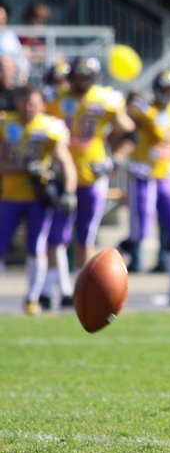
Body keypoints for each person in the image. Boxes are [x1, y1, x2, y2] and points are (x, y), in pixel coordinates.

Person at [43, 56, 134, 304]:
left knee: (85, 236)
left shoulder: (104, 99)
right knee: (56, 234)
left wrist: (114, 159)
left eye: (87, 76)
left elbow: (130, 133)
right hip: (62, 177)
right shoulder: (55, 98)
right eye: (79, 75)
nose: (82, 80)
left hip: (92, 176)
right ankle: (54, 289)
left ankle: (79, 290)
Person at [118, 70, 170, 305]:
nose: (167, 92)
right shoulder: (145, 110)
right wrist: (130, 100)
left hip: (166, 177)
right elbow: (125, 113)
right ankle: (104, 270)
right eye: (163, 88)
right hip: (143, 174)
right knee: (139, 233)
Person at [0, 85, 77, 314]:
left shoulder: (49, 127)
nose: (28, 108)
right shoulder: (5, 123)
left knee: (37, 247)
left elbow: (66, 163)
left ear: (42, 105)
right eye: (24, 102)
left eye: (32, 103)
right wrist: (23, 168)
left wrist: (69, 191)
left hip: (38, 198)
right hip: (10, 195)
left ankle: (32, 298)